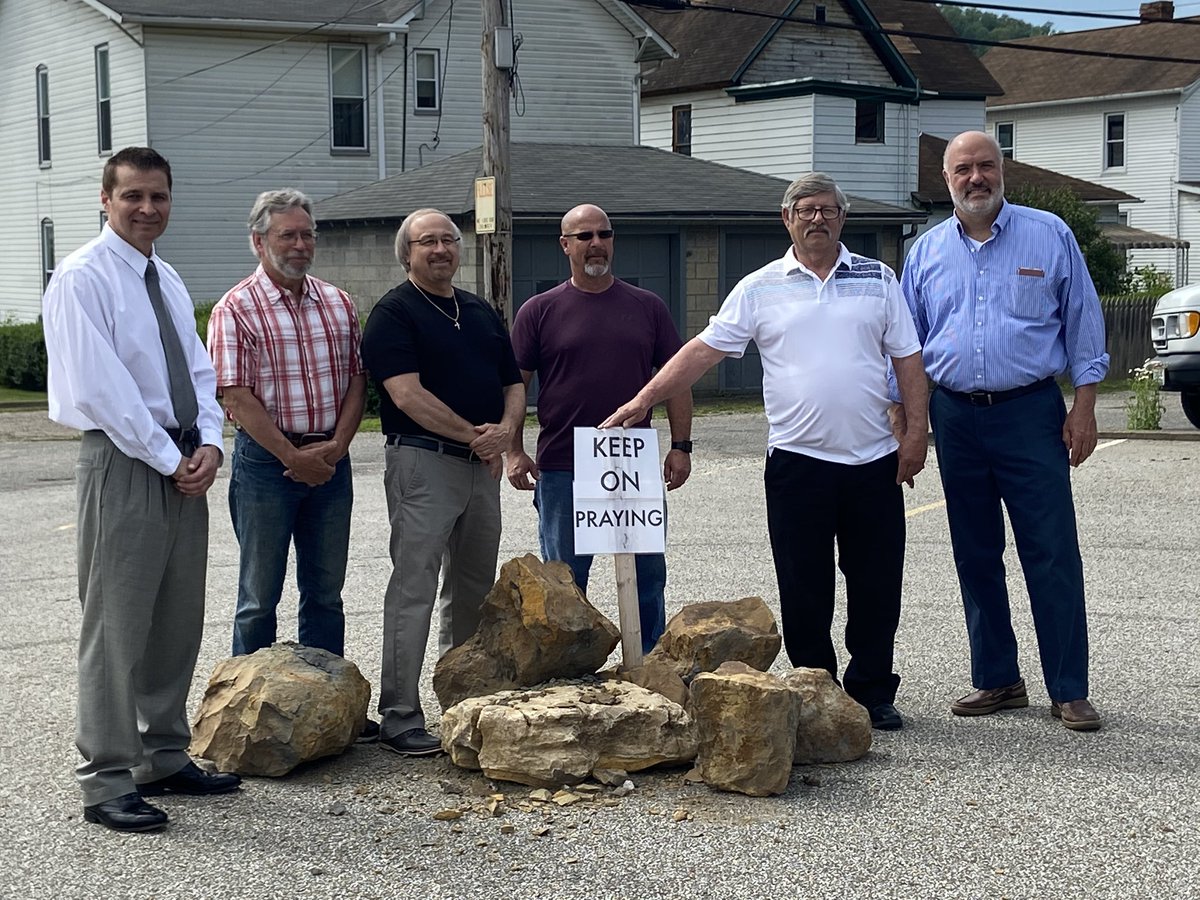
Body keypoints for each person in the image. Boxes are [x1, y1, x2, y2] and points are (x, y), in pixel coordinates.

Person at [602, 173, 928, 730]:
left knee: (877, 584)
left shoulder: (878, 279)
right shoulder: (759, 286)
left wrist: (917, 431)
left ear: (842, 218)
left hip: (872, 461)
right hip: (797, 464)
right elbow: (703, 351)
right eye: (806, 209)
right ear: (787, 218)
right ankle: (814, 687)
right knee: (804, 585)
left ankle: (872, 689)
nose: (817, 218)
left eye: (827, 209)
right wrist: (646, 396)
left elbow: (908, 360)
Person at [42, 147, 241, 833]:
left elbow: (197, 367)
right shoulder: (83, 278)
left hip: (182, 460)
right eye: (133, 196)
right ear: (106, 198)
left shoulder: (167, 277)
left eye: (158, 196)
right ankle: (105, 781)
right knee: (117, 626)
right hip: (127, 463)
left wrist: (211, 443)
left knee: (175, 619)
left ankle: (162, 755)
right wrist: (168, 455)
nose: (147, 208)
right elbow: (103, 390)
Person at [899, 131, 1108, 732]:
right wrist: (906, 421)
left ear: (1001, 172)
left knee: (1051, 551)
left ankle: (1069, 688)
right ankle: (997, 678)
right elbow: (906, 344)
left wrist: (1085, 405)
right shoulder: (926, 251)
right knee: (975, 552)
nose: (975, 179)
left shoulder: (1049, 234)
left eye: (985, 166)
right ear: (947, 180)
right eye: (963, 169)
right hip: (956, 417)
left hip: (1030, 413)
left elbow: (1083, 322)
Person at [360, 208, 524, 756]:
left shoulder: (479, 310)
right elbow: (405, 394)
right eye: (426, 242)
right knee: (414, 589)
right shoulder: (394, 313)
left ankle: (462, 698)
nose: (440, 250)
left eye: (448, 240)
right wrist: (472, 436)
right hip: (423, 463)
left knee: (474, 591)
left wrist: (503, 432)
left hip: (483, 467)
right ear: (406, 253)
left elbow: (514, 381)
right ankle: (399, 714)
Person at [507, 204, 693, 653]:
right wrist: (513, 450)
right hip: (563, 465)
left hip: (634, 461)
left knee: (648, 575)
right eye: (584, 235)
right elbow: (515, 386)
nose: (596, 243)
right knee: (566, 581)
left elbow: (677, 379)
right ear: (565, 244)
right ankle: (569, 668)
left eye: (604, 234)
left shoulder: (648, 307)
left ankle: (650, 660)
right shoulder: (539, 310)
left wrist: (681, 446)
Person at [207, 189, 367, 662]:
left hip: (331, 461)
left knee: (325, 594)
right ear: (259, 242)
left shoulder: (338, 304)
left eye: (307, 235)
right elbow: (234, 394)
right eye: (287, 235)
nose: (300, 244)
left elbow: (357, 380)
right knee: (259, 597)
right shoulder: (234, 309)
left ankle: (327, 703)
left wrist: (336, 447)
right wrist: (292, 457)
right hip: (265, 467)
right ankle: (245, 709)